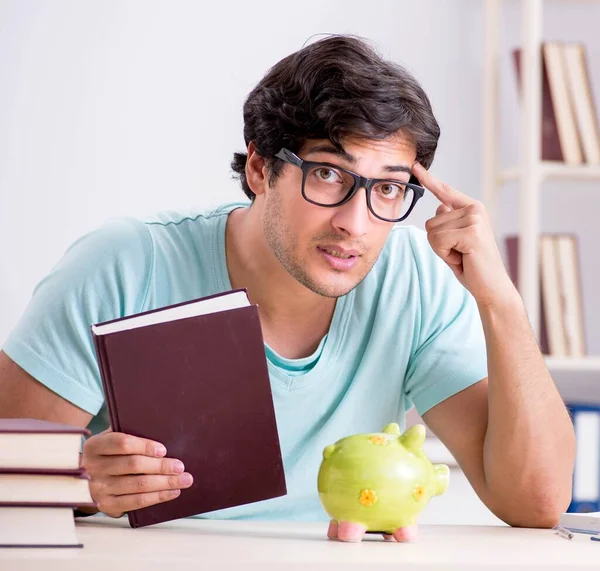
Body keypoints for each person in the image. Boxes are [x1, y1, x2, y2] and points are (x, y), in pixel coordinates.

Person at [0, 34, 574, 541]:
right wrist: (78, 481)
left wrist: (501, 302)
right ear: (258, 168)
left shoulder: (414, 282)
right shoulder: (124, 263)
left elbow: (537, 503)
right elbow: (9, 476)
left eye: (389, 189)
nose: (356, 222)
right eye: (327, 174)